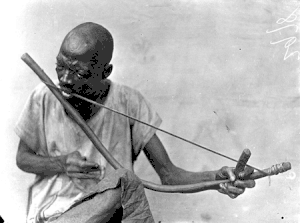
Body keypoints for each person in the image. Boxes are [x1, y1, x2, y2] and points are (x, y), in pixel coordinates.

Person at [15, 22, 255, 223]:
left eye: (78, 73)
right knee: (123, 185)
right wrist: (62, 163)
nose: (64, 79)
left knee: (122, 186)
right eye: (60, 66)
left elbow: (169, 176)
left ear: (105, 71)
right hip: (55, 214)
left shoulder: (129, 102)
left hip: (107, 215)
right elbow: (23, 159)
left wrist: (218, 179)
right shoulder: (43, 96)